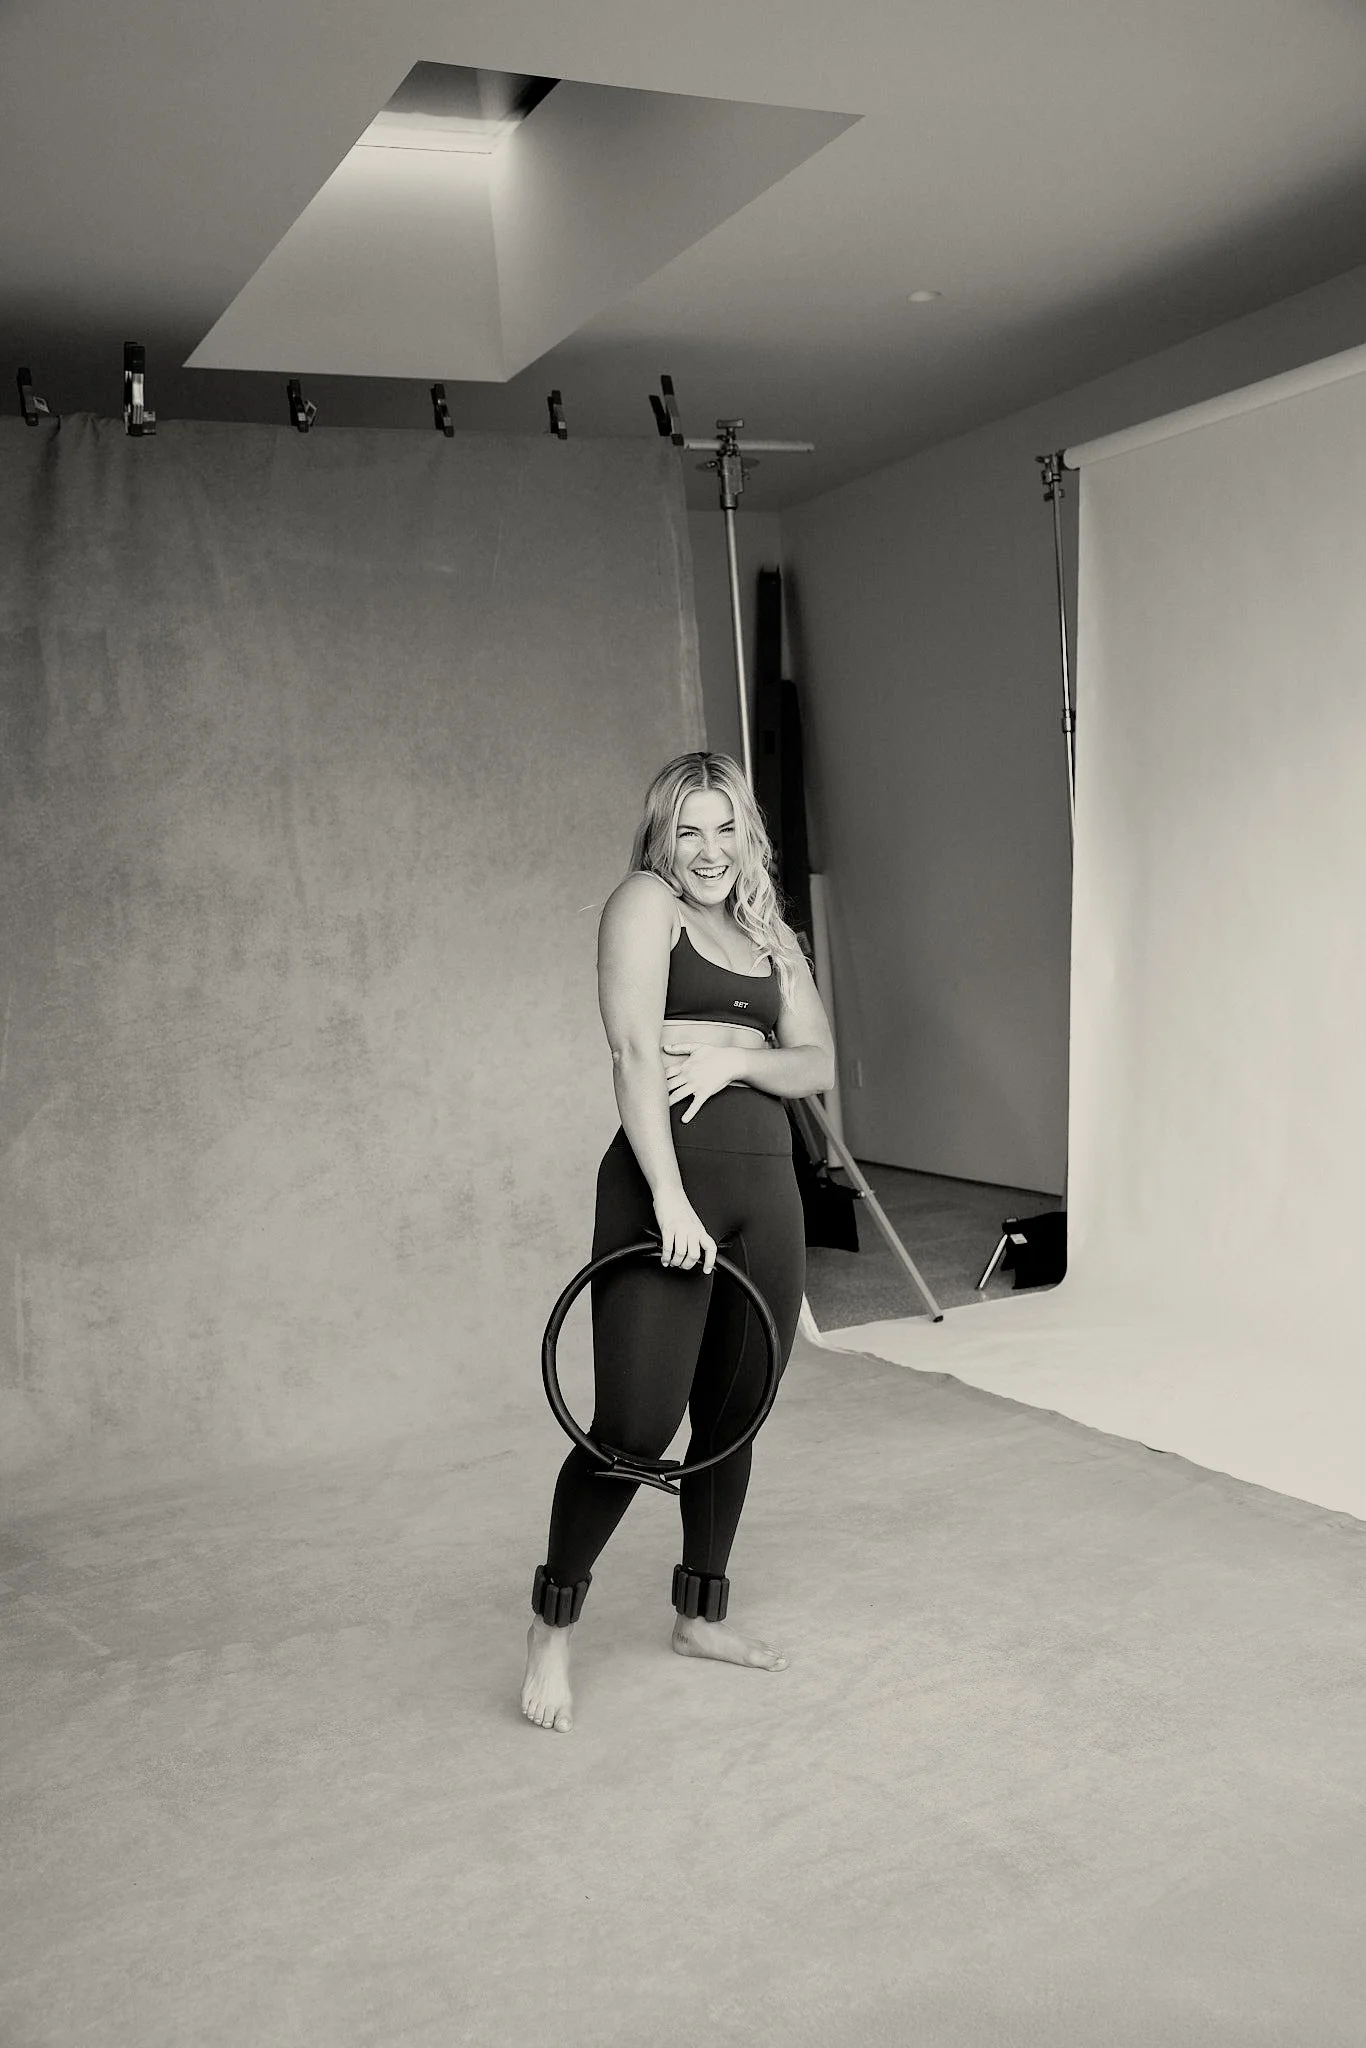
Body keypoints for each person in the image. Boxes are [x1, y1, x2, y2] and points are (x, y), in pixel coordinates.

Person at [521, 750, 836, 1732]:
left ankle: (700, 1614)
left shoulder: (766, 931)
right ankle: (552, 1625)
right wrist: (667, 1196)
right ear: (665, 835)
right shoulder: (643, 902)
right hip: (669, 1193)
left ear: (748, 835)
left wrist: (739, 1049)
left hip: (766, 1198)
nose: (708, 848)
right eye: (688, 828)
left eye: (725, 827)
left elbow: (820, 1063)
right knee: (633, 1429)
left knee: (734, 1415)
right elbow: (628, 1048)